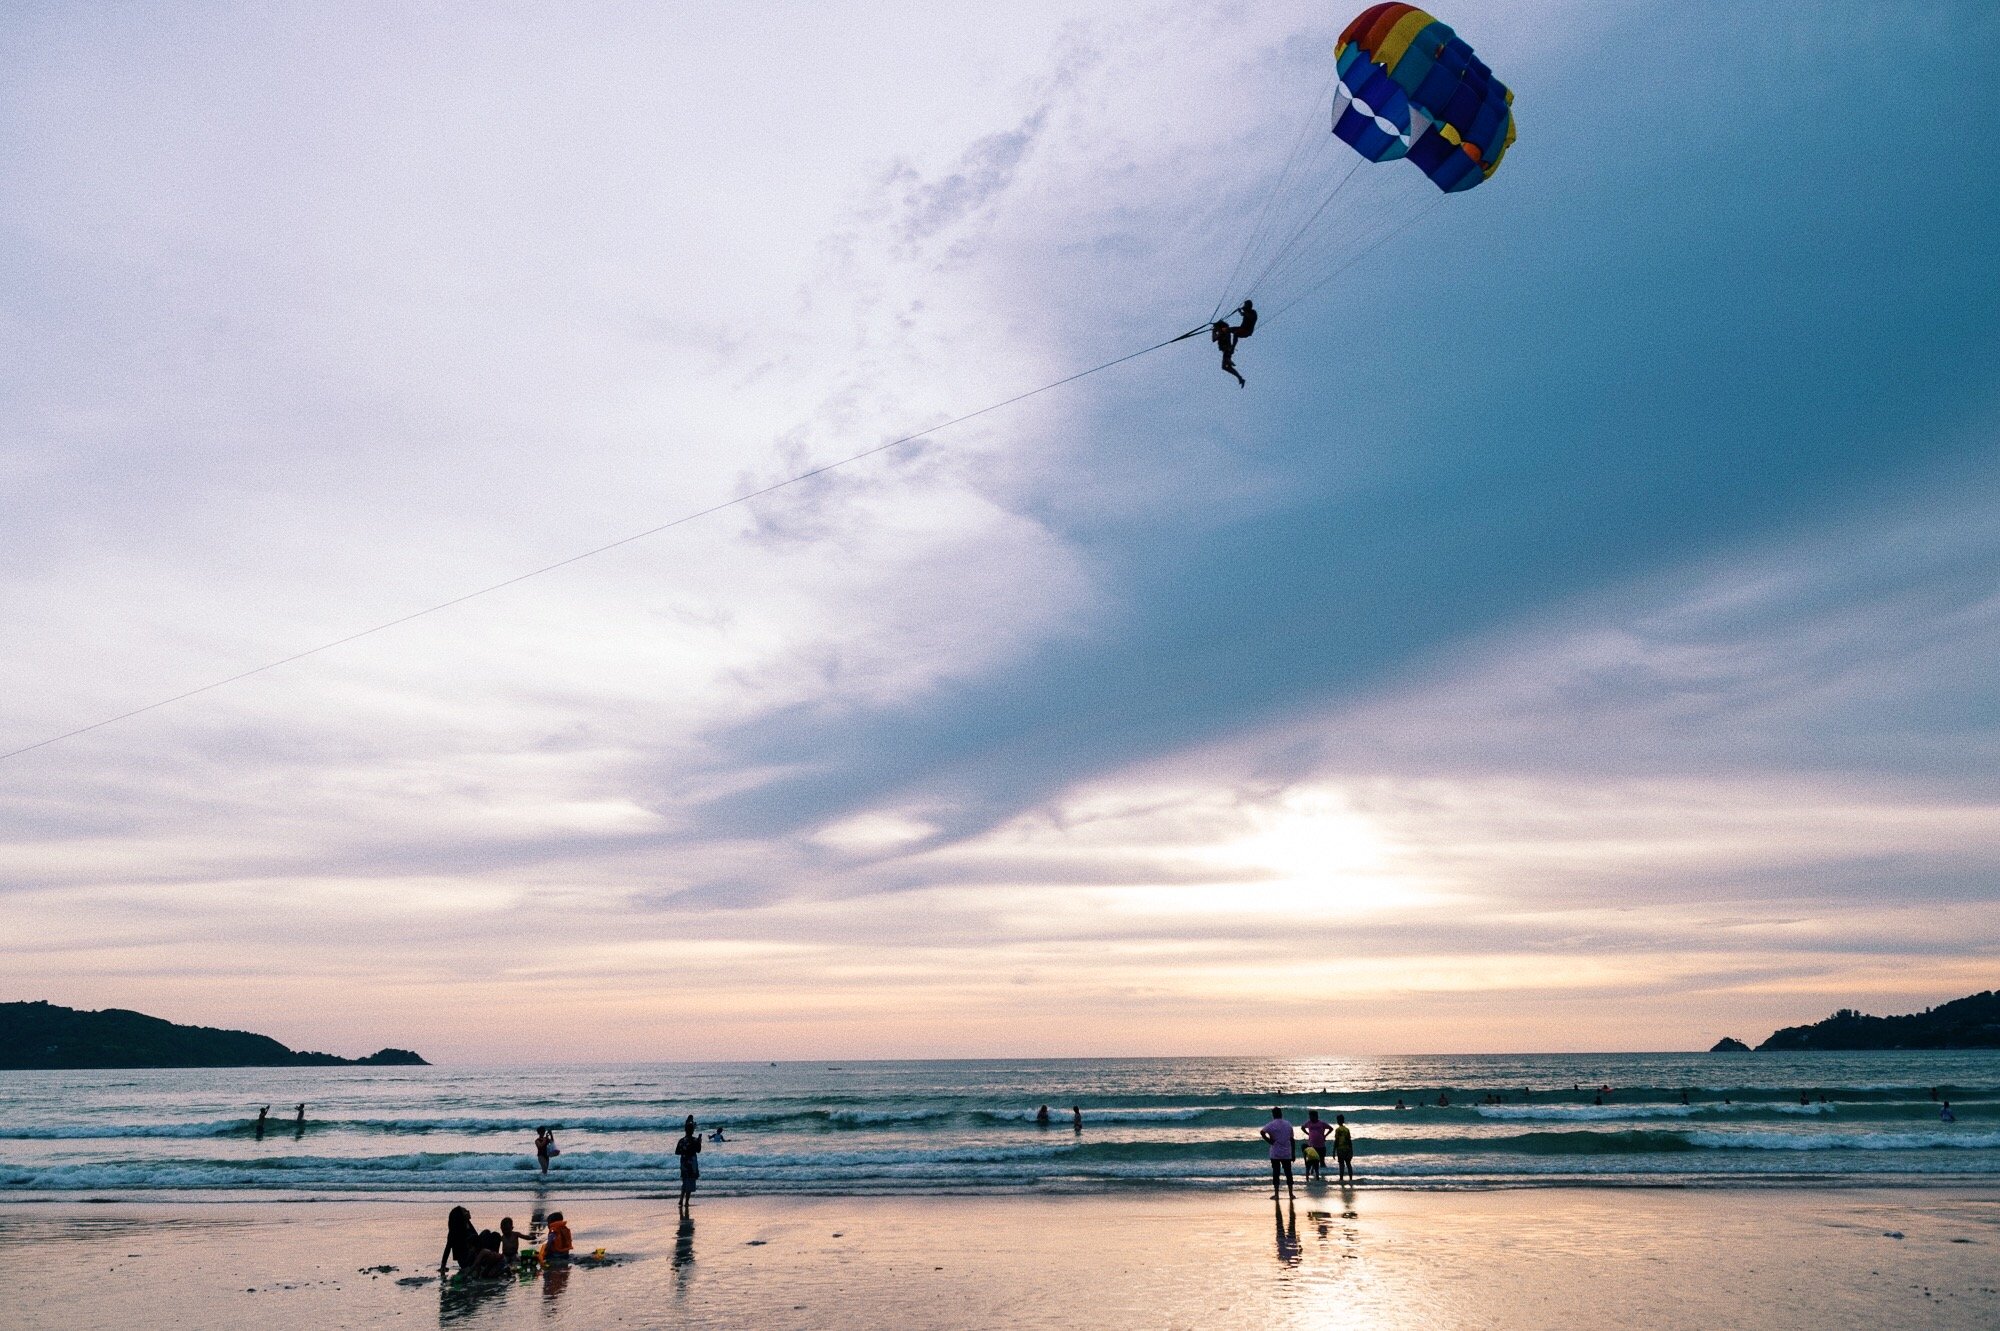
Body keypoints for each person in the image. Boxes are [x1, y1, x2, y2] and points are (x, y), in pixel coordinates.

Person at [439, 1206, 503, 1278]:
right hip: (466, 1259)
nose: (468, 1212)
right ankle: (489, 1260)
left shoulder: (468, 1224)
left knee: (494, 1235)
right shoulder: (455, 1231)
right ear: (461, 1216)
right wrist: (443, 1266)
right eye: (465, 1211)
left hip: (475, 1253)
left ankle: (492, 1258)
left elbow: (476, 1239)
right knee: (486, 1233)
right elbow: (448, 1248)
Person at [1260, 1107, 1295, 1197]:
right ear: (1281, 1114)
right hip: (1287, 1152)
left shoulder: (1271, 1125)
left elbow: (1262, 1132)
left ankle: (1276, 1194)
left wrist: (1269, 1141)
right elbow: (1292, 1139)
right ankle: (1291, 1194)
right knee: (1288, 1173)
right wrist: (1293, 1153)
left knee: (1276, 1173)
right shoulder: (1288, 1124)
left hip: (1275, 1152)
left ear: (1273, 1114)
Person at [675, 1116, 702, 1214]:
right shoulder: (695, 1140)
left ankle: (681, 1199)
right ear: (693, 1131)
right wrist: (699, 1142)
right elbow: (698, 1150)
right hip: (692, 1162)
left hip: (684, 1162)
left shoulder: (681, 1140)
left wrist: (685, 1151)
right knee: (690, 1182)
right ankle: (686, 1201)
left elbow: (677, 1152)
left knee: (685, 1181)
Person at [1211, 321, 1245, 387]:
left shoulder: (1223, 332)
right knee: (1225, 367)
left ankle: (1239, 377)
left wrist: (1213, 332)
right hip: (1227, 351)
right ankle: (1240, 378)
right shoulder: (1225, 331)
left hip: (1227, 350)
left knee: (1224, 367)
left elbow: (1213, 339)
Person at [1302, 1110, 1332, 1179]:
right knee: (1312, 1159)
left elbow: (1331, 1128)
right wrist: (1308, 1134)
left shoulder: (1321, 1123)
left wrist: (1325, 1135)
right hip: (1312, 1145)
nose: (1310, 1118)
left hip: (1321, 1145)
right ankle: (1313, 1173)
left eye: (1312, 1116)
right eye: (1310, 1116)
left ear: (1316, 1116)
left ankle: (1323, 1174)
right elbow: (1302, 1127)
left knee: (1322, 1161)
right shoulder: (1309, 1123)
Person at [1333, 1113, 1355, 1184]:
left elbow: (1336, 1140)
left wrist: (1334, 1150)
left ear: (1338, 1121)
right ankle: (1351, 1178)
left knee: (1341, 1164)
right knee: (1348, 1164)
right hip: (1347, 1148)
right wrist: (1351, 1150)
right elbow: (1349, 1140)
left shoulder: (1338, 1130)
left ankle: (1341, 1178)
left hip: (1340, 1149)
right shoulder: (1347, 1130)